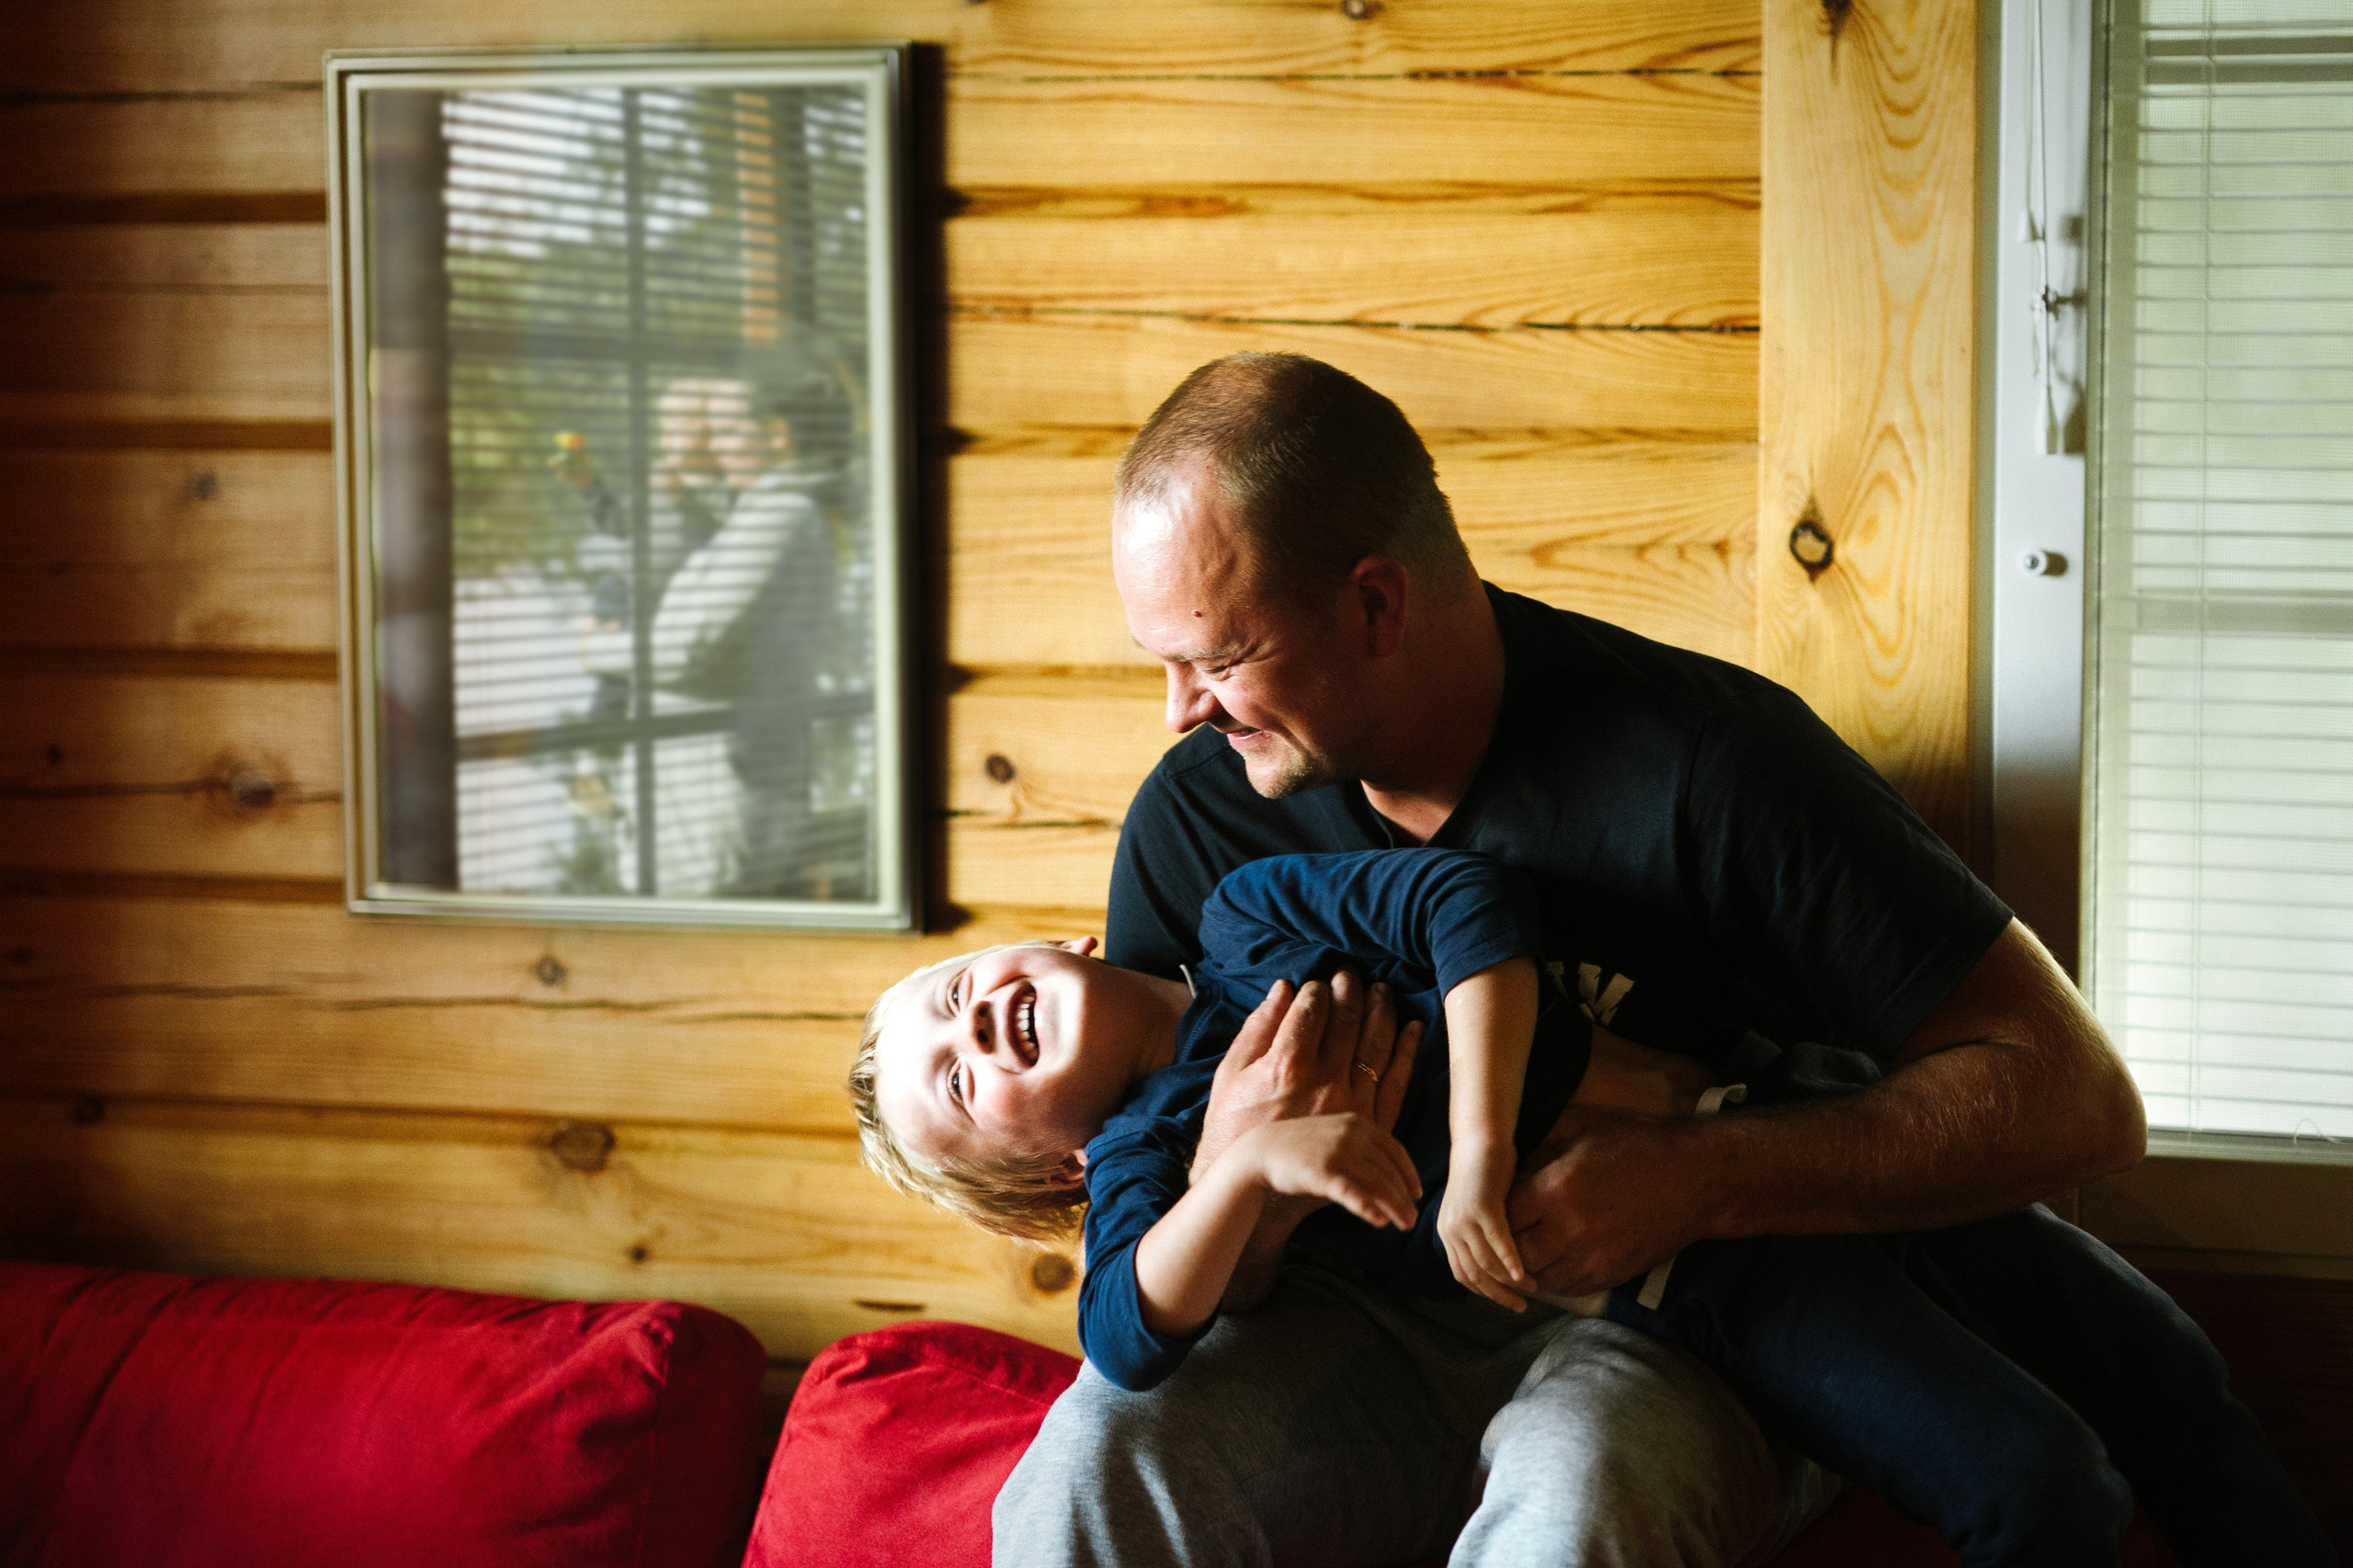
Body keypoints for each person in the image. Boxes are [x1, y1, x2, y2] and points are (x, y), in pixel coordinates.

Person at [983, 348, 2217, 1568]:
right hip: (1363, 1320)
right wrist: (1233, 1160)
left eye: (1217, 655)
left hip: (1685, 1321)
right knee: (1092, 1457)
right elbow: (1155, 1240)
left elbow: (2078, 1099)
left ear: (1375, 606)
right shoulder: (1201, 818)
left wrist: (1694, 1175)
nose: (1180, 708)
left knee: (1575, 1491)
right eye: (1163, 659)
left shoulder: (1707, 767)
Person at [852, 847, 2327, 1568]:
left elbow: (1463, 903)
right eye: (957, 1080)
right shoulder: (1148, 1167)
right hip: (1693, 1270)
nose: (969, 1028)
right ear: (1051, 1168)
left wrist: (1477, 1153)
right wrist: (1244, 1168)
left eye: (949, 995)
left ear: (1059, 931)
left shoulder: (1246, 911)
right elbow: (1125, 1335)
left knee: (2154, 1357)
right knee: (2035, 1472)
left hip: (1785, 1099)